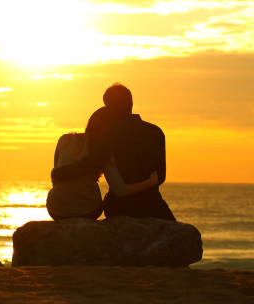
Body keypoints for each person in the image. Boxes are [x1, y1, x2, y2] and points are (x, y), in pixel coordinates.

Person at [51, 83, 176, 221]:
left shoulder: (93, 138)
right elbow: (160, 177)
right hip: (151, 204)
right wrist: (151, 182)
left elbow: (62, 173)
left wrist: (60, 175)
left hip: (115, 206)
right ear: (131, 103)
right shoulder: (155, 132)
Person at [46, 106, 159, 220]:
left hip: (55, 210)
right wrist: (150, 182)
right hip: (87, 211)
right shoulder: (103, 152)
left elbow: (56, 177)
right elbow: (120, 190)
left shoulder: (65, 139)